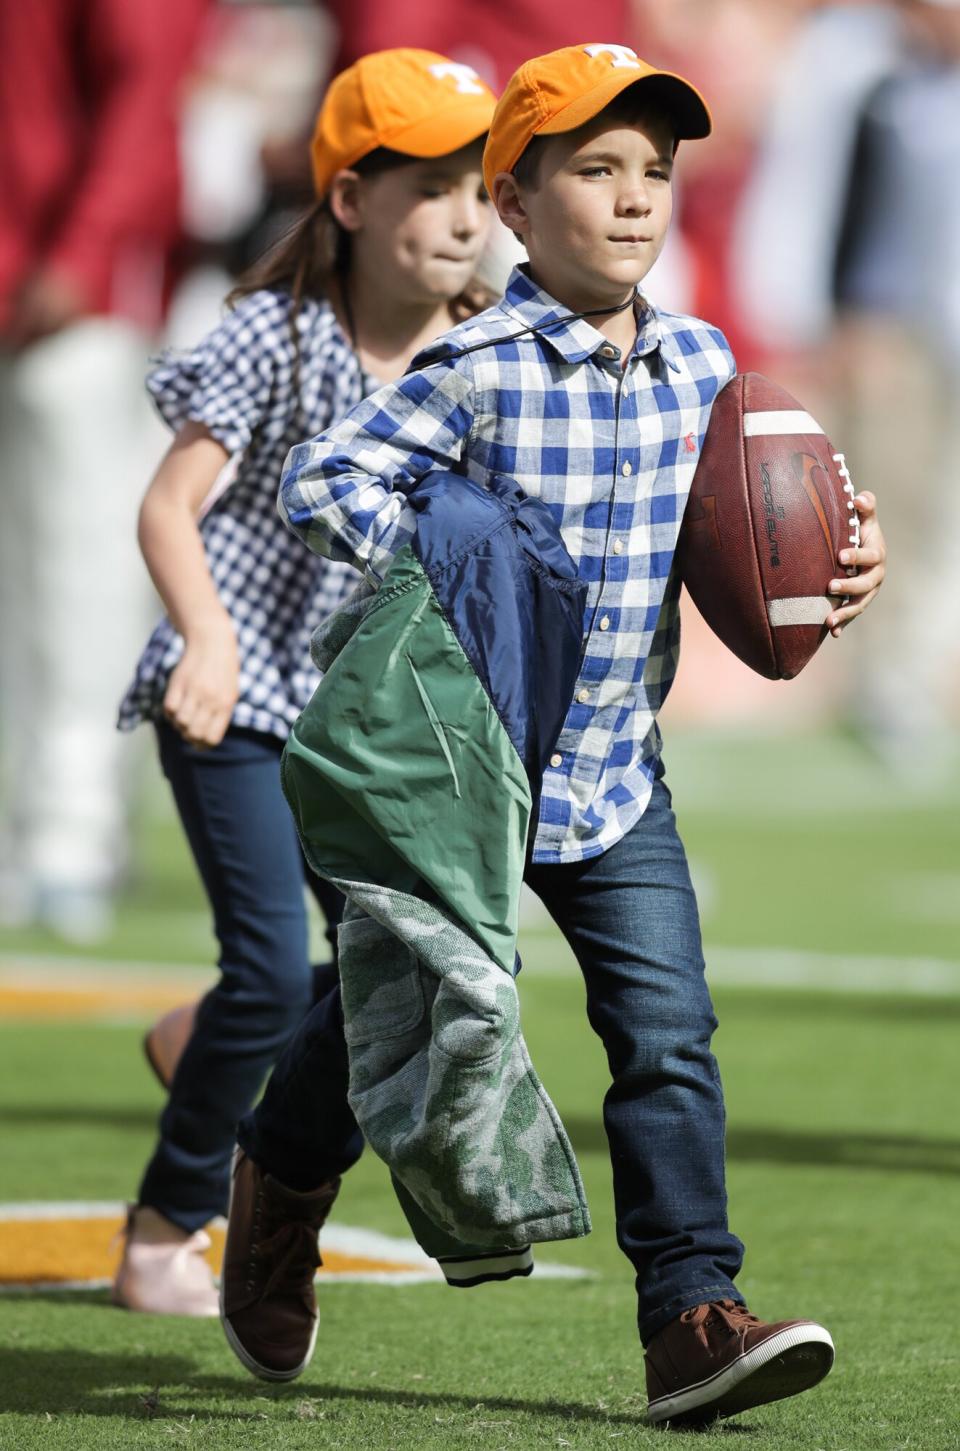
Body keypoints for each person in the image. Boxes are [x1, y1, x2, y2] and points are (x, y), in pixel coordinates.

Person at [218, 43, 887, 1424]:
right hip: (461, 782)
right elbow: (325, 475)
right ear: (514, 206)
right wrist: (442, 555)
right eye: (597, 169)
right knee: (380, 1029)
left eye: (657, 169)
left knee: (667, 1036)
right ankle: (279, 1189)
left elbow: (763, 520)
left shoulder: (707, 364)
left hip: (611, 779)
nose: (638, 198)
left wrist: (839, 558)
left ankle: (690, 1313)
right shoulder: (475, 366)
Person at [111, 47, 496, 1317]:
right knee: (276, 967)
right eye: (434, 186)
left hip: (367, 731)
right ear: (349, 201)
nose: (466, 216)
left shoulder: (492, 360)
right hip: (233, 697)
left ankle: (206, 1037)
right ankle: (173, 1216)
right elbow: (170, 508)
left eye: (484, 188)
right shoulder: (272, 333)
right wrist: (206, 639)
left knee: (418, 967)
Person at [0, 0, 205, 942]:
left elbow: (144, 85)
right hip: (39, 255)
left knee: (77, 562)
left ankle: (71, 828)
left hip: (62, 278)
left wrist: (86, 247)